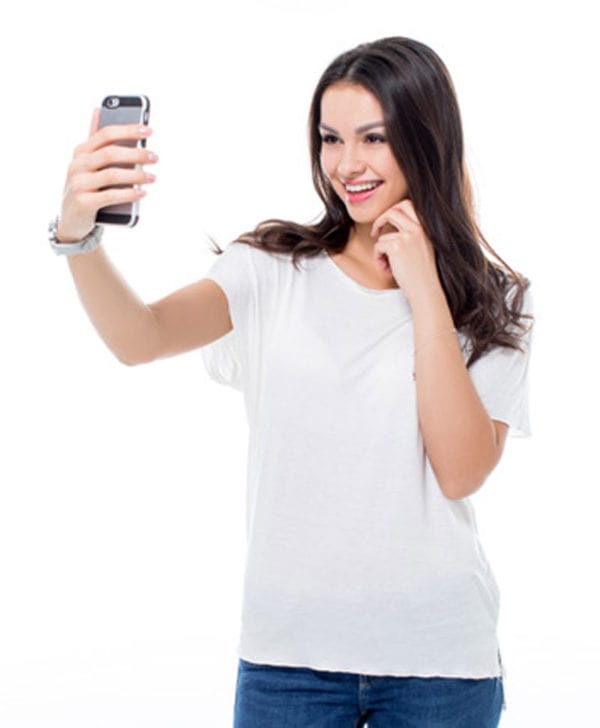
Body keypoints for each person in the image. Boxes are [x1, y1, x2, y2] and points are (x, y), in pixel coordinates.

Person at [50, 36, 534, 728]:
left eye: (374, 138)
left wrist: (425, 289)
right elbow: (141, 338)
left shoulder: (497, 299)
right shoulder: (272, 270)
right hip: (289, 662)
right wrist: (78, 237)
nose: (346, 164)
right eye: (330, 139)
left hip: (439, 665)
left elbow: (460, 471)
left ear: (428, 139)